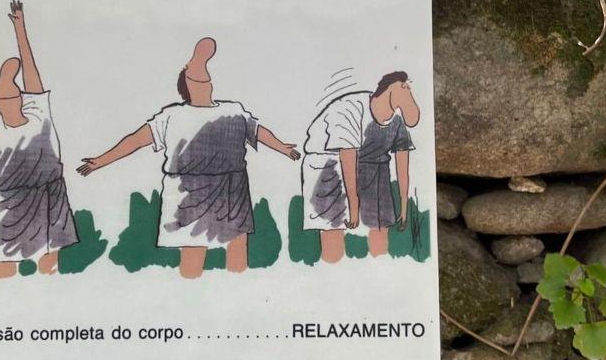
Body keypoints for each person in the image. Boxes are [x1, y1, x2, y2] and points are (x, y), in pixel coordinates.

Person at [77, 37, 299, 279]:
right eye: (196, 75)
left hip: (231, 190)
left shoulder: (233, 110)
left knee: (237, 252)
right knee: (193, 257)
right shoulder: (172, 115)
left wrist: (283, 147)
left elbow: (258, 131)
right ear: (187, 86)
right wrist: (100, 161)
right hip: (189, 193)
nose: (204, 81)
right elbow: (135, 140)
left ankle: (238, 291)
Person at [0, 0, 78, 279]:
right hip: (2, 206)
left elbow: (32, 76)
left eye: (15, 91)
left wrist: (20, 28)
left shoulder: (38, 115)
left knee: (50, 273)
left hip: (48, 199)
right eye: (5, 93)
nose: (15, 96)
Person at [302, 72, 421, 261]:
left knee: (380, 223)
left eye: (407, 88)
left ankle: (379, 264)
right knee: (335, 226)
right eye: (402, 87)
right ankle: (331, 266)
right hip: (328, 162)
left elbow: (402, 166)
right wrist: (353, 207)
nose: (406, 90)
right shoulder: (350, 107)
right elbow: (347, 158)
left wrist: (404, 206)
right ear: (390, 89)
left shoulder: (397, 122)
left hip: (374, 164)